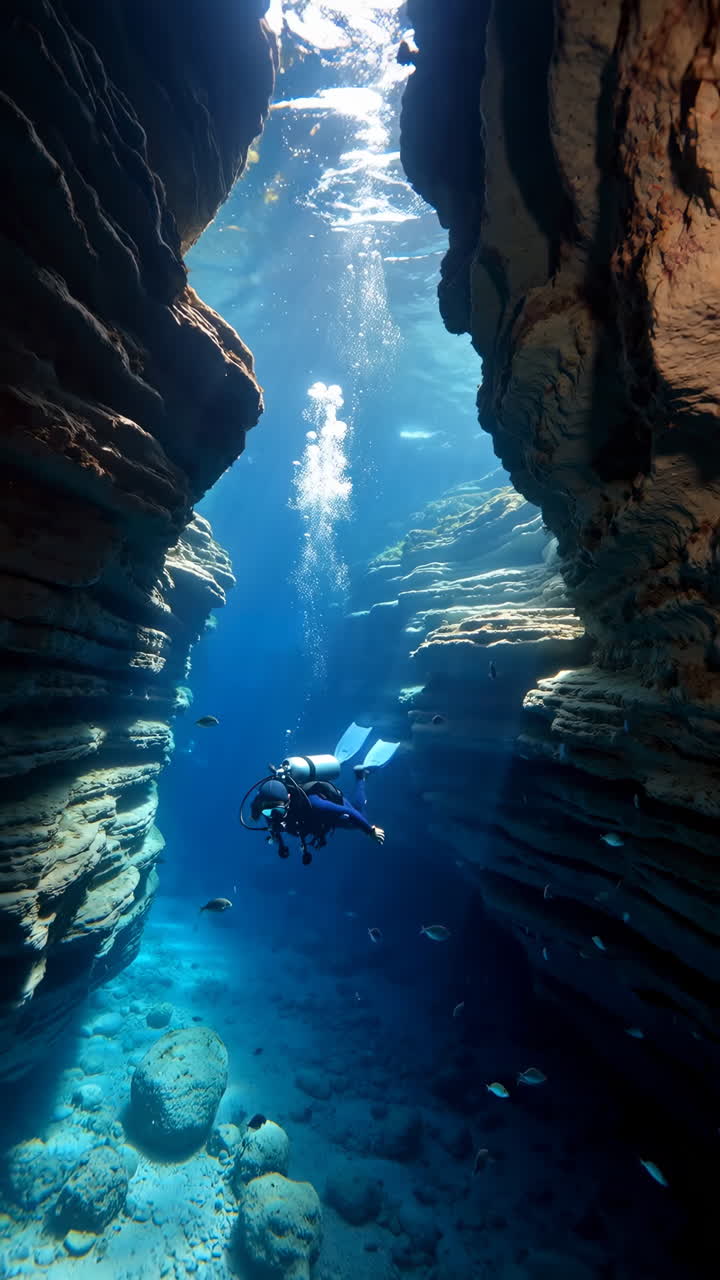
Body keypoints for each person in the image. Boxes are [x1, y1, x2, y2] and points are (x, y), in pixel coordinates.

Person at [250, 766, 385, 864]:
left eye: (278, 810)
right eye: (267, 811)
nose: (274, 815)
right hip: (311, 822)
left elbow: (348, 812)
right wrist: (281, 846)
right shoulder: (268, 808)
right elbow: (273, 827)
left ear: (289, 798)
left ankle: (360, 776)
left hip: (326, 815)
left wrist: (369, 830)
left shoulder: (314, 803)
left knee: (358, 812)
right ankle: (360, 776)